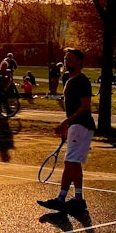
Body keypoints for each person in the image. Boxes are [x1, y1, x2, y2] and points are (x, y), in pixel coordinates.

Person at [37, 47, 96, 215]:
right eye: (66, 59)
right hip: (76, 126)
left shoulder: (82, 81)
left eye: (70, 59)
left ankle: (61, 199)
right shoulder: (67, 79)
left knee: (70, 163)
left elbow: (85, 106)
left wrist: (66, 122)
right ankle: (78, 200)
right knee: (74, 163)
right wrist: (69, 126)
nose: (66, 61)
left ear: (79, 62)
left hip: (82, 125)